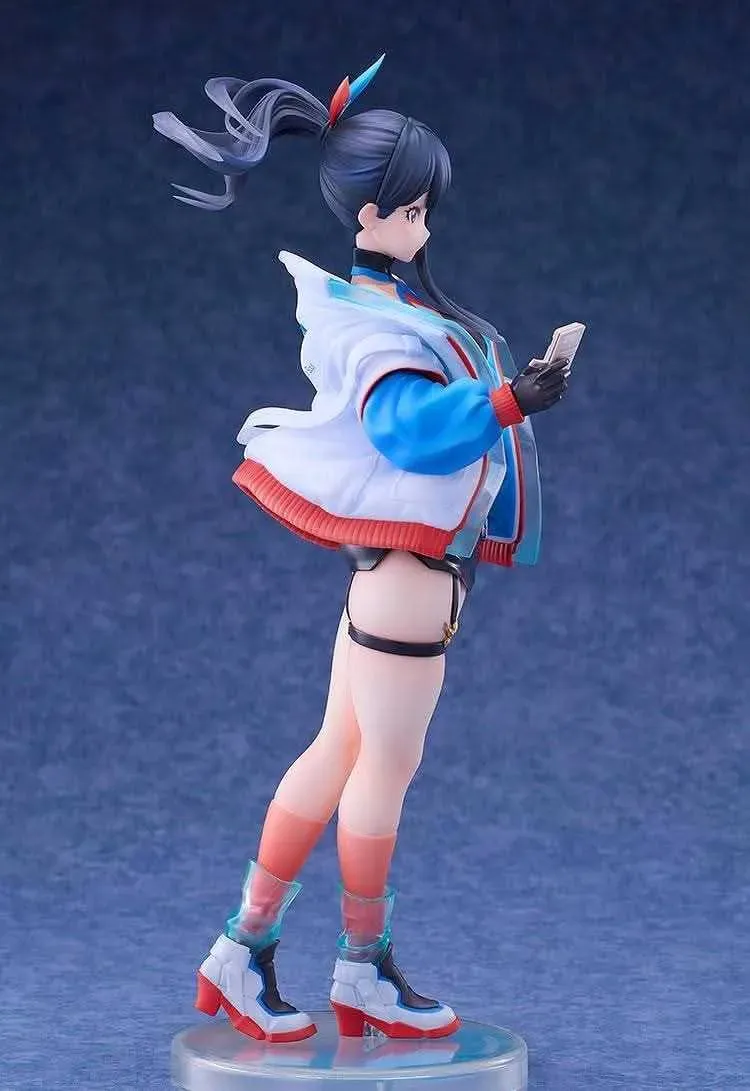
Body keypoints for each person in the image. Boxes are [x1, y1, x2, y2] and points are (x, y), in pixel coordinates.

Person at [153, 54, 571, 1043]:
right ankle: (360, 963)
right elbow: (408, 432)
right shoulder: (372, 326)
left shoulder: (390, 309)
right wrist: (509, 400)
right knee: (381, 769)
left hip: (397, 582)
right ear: (370, 214)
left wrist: (506, 394)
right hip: (407, 583)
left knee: (337, 752)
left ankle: (243, 947)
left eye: (426, 209)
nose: (424, 225)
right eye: (412, 209)